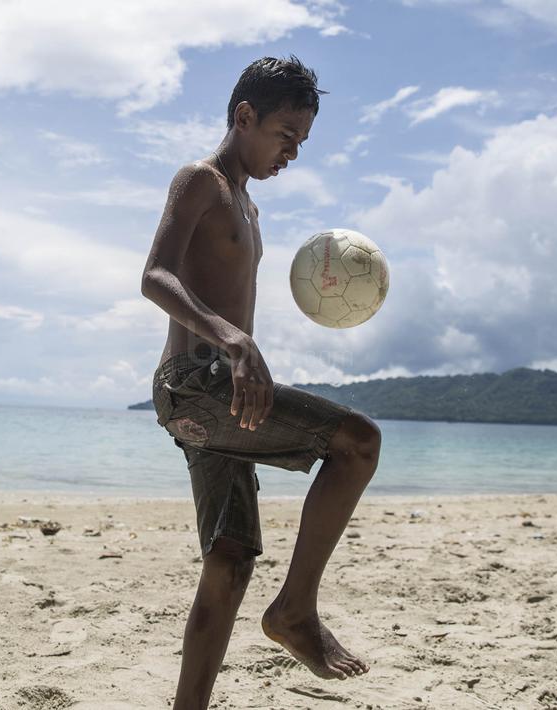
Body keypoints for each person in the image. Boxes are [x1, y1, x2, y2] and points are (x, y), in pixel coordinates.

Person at [140, 55, 383, 710]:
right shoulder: (201, 182)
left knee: (230, 559)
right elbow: (154, 277)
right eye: (284, 135)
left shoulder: (248, 208)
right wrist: (233, 340)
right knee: (358, 442)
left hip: (217, 390)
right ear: (244, 116)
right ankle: (296, 611)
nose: (291, 153)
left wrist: (240, 354)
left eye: (299, 143)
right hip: (192, 381)